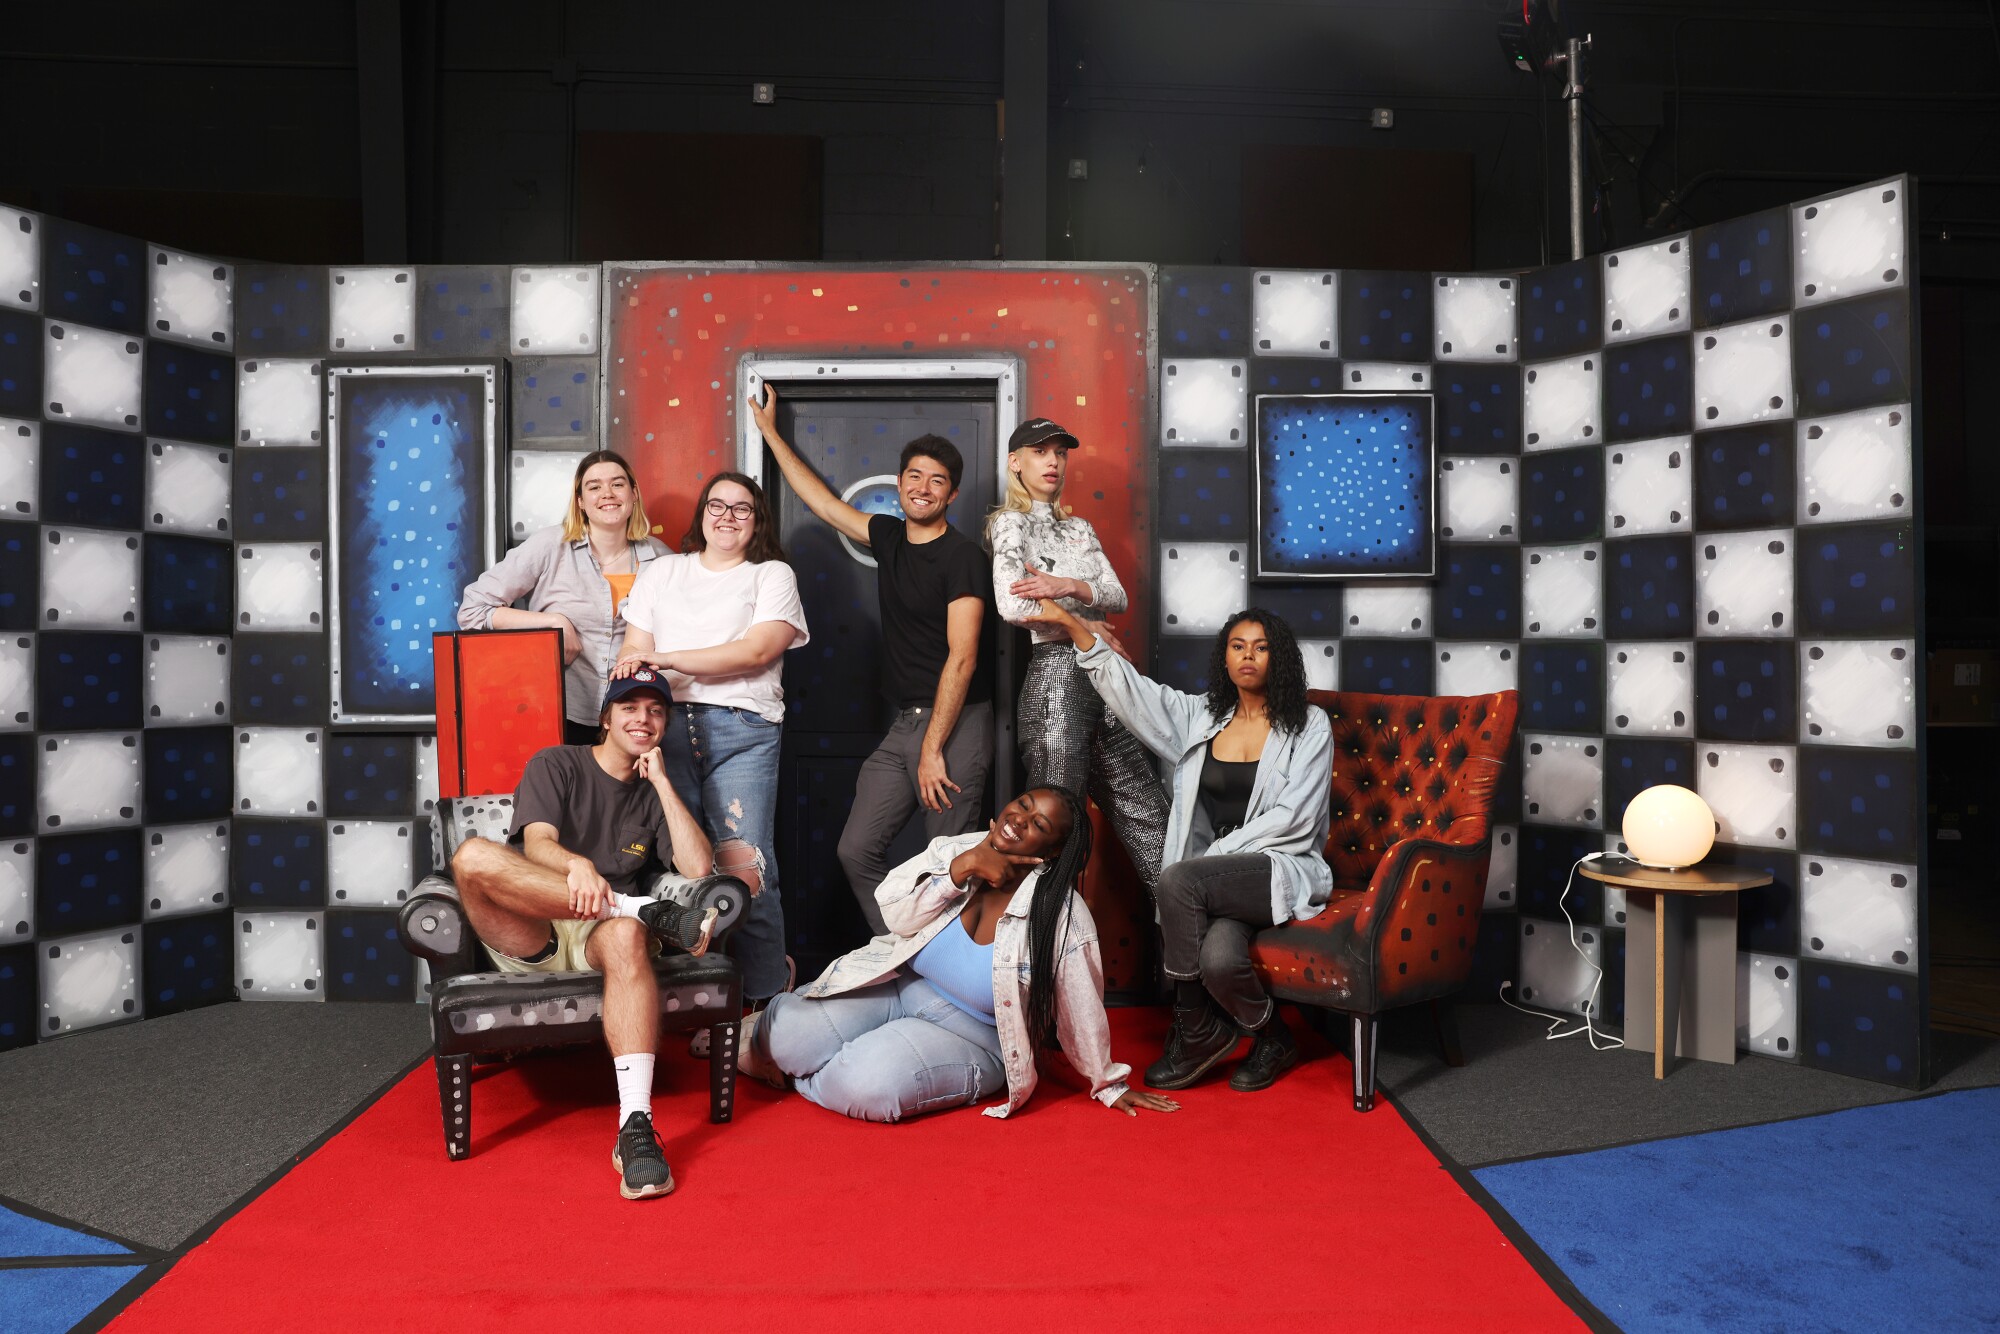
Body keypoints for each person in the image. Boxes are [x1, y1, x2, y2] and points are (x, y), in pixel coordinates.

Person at [737, 785, 1180, 1123]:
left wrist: (1107, 1083)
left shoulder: (1061, 915)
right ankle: (789, 1052)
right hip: (901, 988)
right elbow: (891, 909)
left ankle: (794, 1071)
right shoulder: (956, 848)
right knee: (788, 1034)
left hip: (976, 1034)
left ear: (1053, 851)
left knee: (870, 1086)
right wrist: (959, 869)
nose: (1020, 820)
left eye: (1039, 826)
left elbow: (1080, 1003)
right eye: (1023, 805)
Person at [1035, 601, 1333, 1093]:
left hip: (1277, 866)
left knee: (1177, 877)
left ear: (1278, 658)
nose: (1248, 657)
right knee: (1218, 960)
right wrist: (1072, 626)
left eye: (1261, 648)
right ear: (1225, 658)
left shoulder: (1309, 724)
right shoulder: (1201, 717)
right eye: (1238, 647)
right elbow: (1133, 694)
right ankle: (1275, 1038)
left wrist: (1213, 861)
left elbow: (1294, 819)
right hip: (1215, 884)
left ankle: (1194, 1028)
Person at [448, 668, 722, 1201]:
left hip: (603, 935)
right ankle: (641, 907)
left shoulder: (653, 791)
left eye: (655, 710)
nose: (642, 719)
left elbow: (697, 869)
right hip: (537, 927)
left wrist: (663, 783)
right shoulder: (557, 763)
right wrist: (577, 867)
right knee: (472, 857)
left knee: (624, 937)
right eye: (629, 707)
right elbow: (538, 844)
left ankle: (636, 1128)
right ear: (604, 718)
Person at [747, 384, 994, 934]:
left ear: (951, 495)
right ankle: (902, 953)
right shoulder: (889, 537)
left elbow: (963, 658)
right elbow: (826, 504)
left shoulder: (964, 559)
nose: (923, 488)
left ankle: (950, 980)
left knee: (948, 866)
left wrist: (934, 749)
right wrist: (768, 433)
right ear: (900, 483)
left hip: (955, 727)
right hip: (905, 722)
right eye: (914, 476)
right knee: (856, 851)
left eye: (937, 481)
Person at [612, 470, 808, 1017]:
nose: (726, 516)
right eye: (716, 506)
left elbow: (756, 651)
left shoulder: (771, 575)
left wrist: (670, 659)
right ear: (702, 515)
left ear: (757, 521)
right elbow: (635, 650)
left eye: (741, 509)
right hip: (667, 730)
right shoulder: (663, 572)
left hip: (741, 730)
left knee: (746, 867)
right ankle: (702, 1001)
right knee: (681, 870)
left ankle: (767, 997)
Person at [986, 416, 1170, 899]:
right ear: (1016, 462)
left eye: (1060, 453)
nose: (1052, 461)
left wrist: (1066, 586)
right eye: (1040, 452)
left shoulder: (1080, 529)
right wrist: (1082, 622)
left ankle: (1187, 961)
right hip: (1056, 680)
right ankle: (1035, 962)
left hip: (1106, 676)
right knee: (1048, 836)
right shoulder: (1011, 523)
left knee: (1154, 824)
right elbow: (1012, 604)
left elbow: (1117, 595)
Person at [458, 451, 669, 745]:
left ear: (634, 494)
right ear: (580, 501)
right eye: (594, 486)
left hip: (633, 722)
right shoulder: (550, 546)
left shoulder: (661, 558)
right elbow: (473, 610)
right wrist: (553, 623)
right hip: (557, 712)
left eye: (618, 484)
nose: (607, 493)